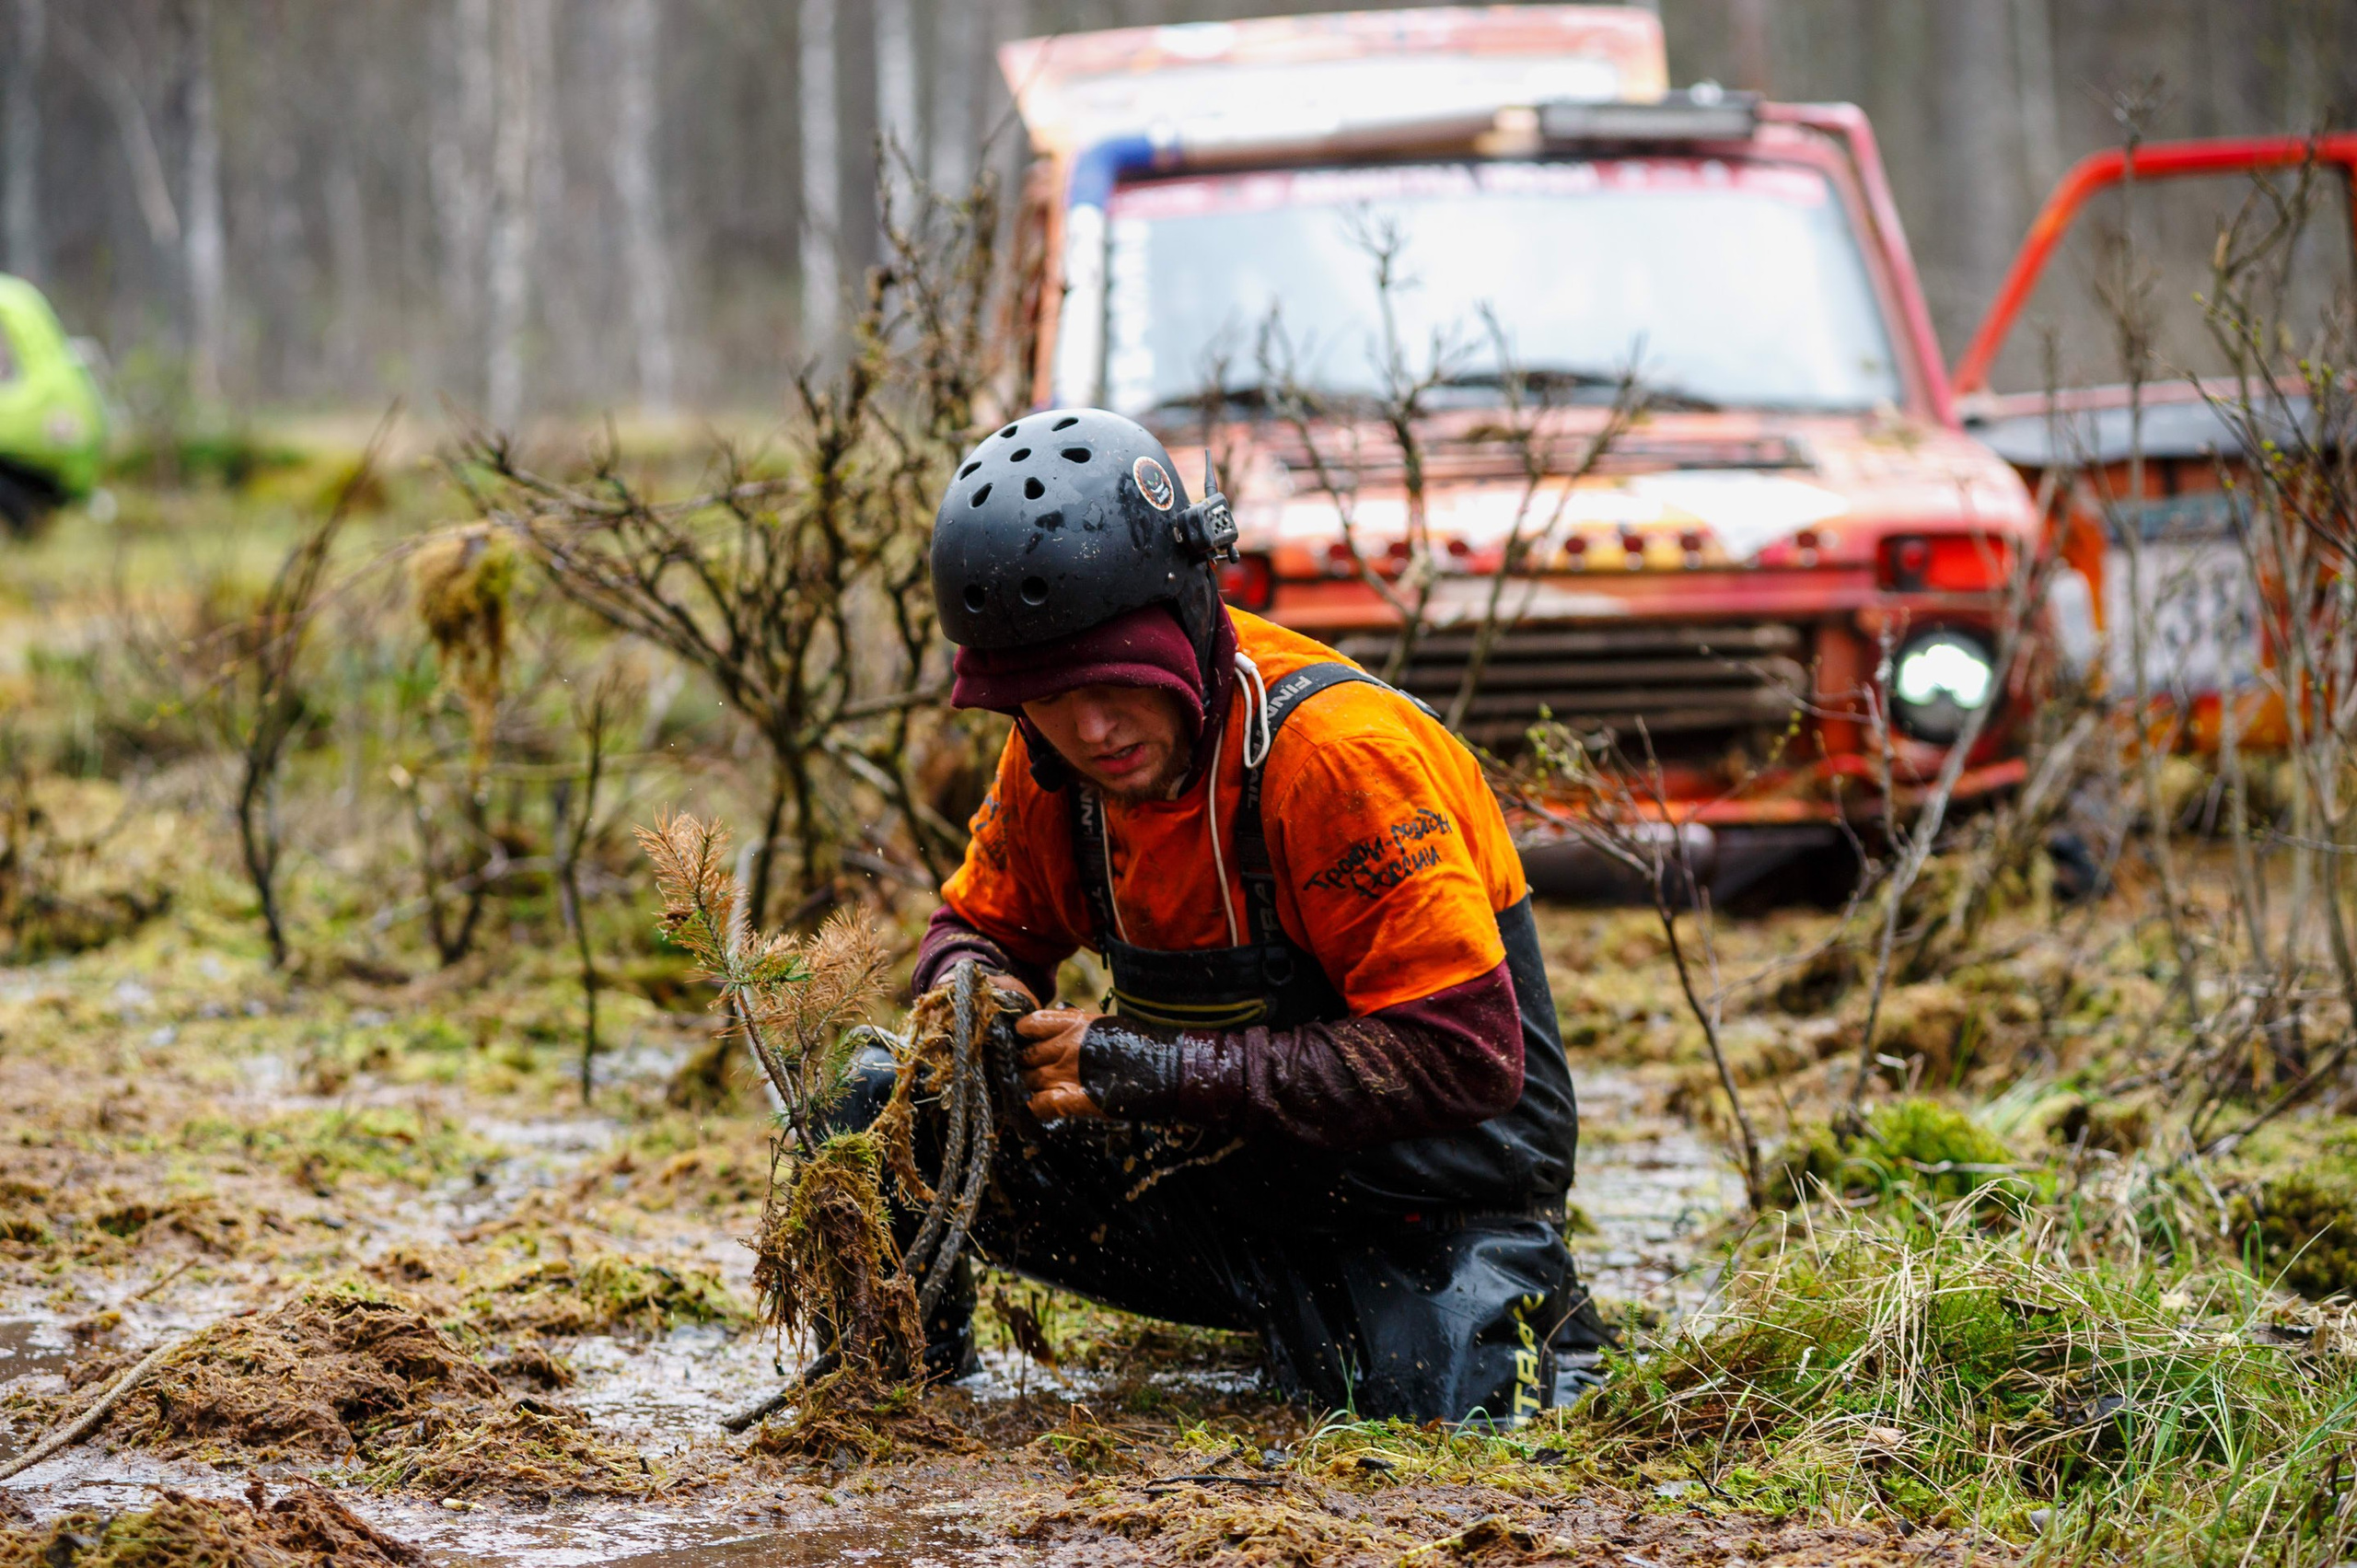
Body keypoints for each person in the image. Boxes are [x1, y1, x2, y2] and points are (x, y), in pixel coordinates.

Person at [864, 408, 1603, 1423]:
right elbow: (978, 928)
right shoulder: (1051, 758)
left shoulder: (1338, 757)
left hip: (1426, 1203)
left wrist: (1145, 1068)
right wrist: (971, 990)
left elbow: (1465, 1059)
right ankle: (896, 1400)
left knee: (1446, 1415)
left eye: (1113, 677)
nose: (1093, 727)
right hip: (1226, 1187)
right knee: (875, 1099)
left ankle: (1394, 1325)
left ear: (1186, 610)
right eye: (1048, 694)